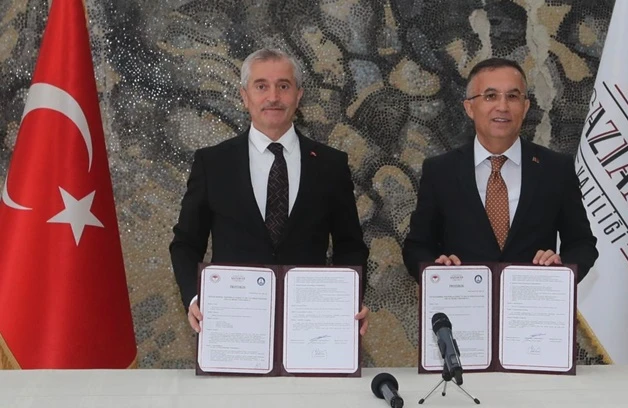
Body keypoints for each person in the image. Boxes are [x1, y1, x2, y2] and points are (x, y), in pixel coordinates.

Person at [170, 48, 370, 334]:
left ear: (299, 95)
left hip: (310, 328)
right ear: (244, 96)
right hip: (232, 327)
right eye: (261, 86)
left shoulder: (330, 164)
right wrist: (195, 297)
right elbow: (186, 244)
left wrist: (350, 298)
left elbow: (350, 246)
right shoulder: (212, 163)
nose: (273, 97)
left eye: (284, 86)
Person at [402, 57, 597, 282]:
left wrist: (561, 270)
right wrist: (436, 270)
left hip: (532, 299)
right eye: (490, 96)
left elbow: (582, 244)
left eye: (512, 97)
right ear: (469, 108)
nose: (503, 107)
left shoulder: (555, 169)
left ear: (525, 107)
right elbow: (417, 247)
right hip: (463, 300)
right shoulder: (440, 171)